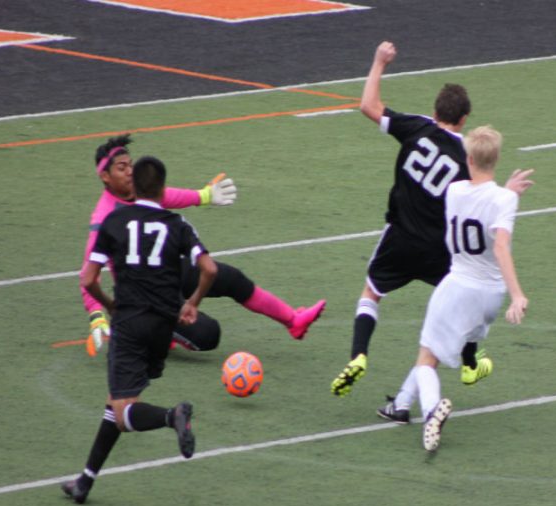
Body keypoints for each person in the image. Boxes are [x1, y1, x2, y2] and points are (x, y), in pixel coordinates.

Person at [331, 41, 533, 397]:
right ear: (464, 119)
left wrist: (379, 62)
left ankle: (359, 355)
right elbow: (482, 197)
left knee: (371, 293)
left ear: (434, 110)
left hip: (398, 236)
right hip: (440, 250)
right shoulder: (465, 156)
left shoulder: (416, 128)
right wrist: (510, 193)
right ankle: (470, 363)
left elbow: (368, 106)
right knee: (466, 300)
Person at [63, 156, 218, 504]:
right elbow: (209, 268)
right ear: (163, 189)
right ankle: (85, 480)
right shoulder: (178, 223)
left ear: (134, 186)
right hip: (164, 327)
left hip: (130, 323)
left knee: (123, 412)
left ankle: (171, 416)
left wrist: (109, 304)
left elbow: (88, 278)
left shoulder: (114, 220)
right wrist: (192, 302)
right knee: (118, 398)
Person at [83, 134, 325, 356]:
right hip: (146, 296)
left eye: (131, 165)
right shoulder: (104, 218)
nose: (130, 172)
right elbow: (88, 273)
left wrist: (204, 196)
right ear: (105, 176)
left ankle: (294, 320)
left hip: (168, 273)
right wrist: (96, 314)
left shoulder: (142, 192)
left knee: (232, 279)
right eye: (122, 168)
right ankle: (144, 332)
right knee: (208, 335)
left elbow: (168, 195)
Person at [377, 126, 532, 455]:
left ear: (469, 158)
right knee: (435, 350)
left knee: (426, 358)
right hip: (491, 297)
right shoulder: (504, 199)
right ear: (497, 158)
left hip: (459, 285)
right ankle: (401, 405)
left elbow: (499, 242)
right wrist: (514, 294)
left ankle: (432, 411)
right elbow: (494, 219)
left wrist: (522, 294)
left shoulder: (454, 191)